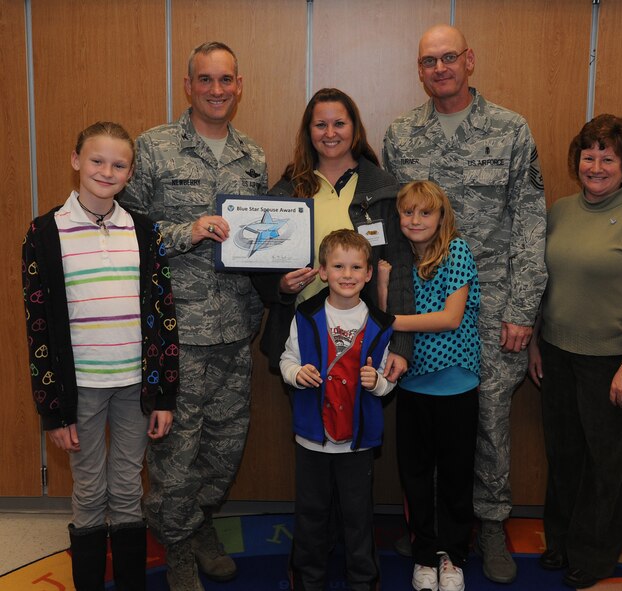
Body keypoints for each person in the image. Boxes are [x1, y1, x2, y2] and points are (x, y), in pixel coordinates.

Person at [383, 25, 547, 584]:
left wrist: (523, 310)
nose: (439, 68)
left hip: (492, 309)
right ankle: (428, 532)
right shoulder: (401, 135)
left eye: (449, 57)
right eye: (428, 60)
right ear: (420, 69)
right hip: (423, 307)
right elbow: (393, 229)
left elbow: (530, 222)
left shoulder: (510, 129)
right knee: (425, 426)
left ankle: (490, 524)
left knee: (489, 424)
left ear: (469, 61)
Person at [120, 41, 268, 590]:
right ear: (188, 86)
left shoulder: (252, 155)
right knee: (176, 449)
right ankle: (178, 544)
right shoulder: (154, 148)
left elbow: (261, 240)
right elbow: (124, 228)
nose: (216, 90)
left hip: (235, 326)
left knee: (225, 444)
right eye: (204, 79)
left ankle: (198, 522)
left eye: (225, 79)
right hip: (176, 329)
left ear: (239, 84)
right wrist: (189, 230)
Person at [22, 121, 179, 591]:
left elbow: (163, 313)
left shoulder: (144, 232)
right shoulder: (45, 232)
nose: (106, 171)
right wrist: (54, 410)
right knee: (90, 492)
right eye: (96, 160)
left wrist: (165, 394)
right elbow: (38, 328)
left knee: (129, 491)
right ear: (75, 160)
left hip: (135, 386)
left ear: (130, 173)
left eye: (118, 164)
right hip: (80, 391)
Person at [526, 115, 622, 588]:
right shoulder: (561, 210)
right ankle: (561, 541)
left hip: (614, 361)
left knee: (605, 462)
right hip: (556, 353)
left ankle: (594, 554)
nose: (595, 165)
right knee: (564, 454)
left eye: (607, 157)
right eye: (588, 156)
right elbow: (541, 281)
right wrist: (534, 342)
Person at [257, 87, 413, 381]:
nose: (330, 133)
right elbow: (259, 261)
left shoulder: (382, 189)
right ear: (309, 131)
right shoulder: (288, 190)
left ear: (354, 129)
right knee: (309, 423)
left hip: (367, 335)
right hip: (304, 333)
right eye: (320, 124)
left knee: (362, 423)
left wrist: (402, 346)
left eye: (339, 123)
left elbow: (401, 271)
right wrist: (280, 285)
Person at [378, 181, 481, 591]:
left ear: (441, 217)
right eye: (407, 213)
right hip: (414, 385)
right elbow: (386, 306)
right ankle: (424, 555)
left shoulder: (456, 251)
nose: (415, 220)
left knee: (456, 477)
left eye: (424, 213)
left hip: (456, 386)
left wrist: (391, 322)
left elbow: (450, 317)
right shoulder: (399, 258)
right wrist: (385, 286)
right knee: (416, 476)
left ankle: (453, 557)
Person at [280, 229, 395, 591]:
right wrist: (297, 374)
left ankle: (363, 579)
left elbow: (390, 377)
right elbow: (287, 359)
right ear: (324, 271)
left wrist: (376, 381)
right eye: (338, 266)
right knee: (312, 514)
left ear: (368, 273)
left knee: (358, 517)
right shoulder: (305, 315)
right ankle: (307, 577)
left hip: (357, 443)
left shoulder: (380, 323)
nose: (347, 274)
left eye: (356, 267)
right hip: (313, 437)